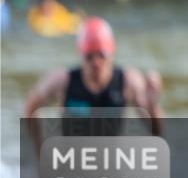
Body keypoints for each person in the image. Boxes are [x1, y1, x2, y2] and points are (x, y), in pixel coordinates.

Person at [24, 17, 164, 139]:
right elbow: (31, 106)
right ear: (81, 53)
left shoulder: (129, 82)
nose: (96, 63)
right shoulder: (62, 81)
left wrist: (153, 103)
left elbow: (157, 131)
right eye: (89, 56)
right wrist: (39, 151)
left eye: (102, 55)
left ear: (112, 52)